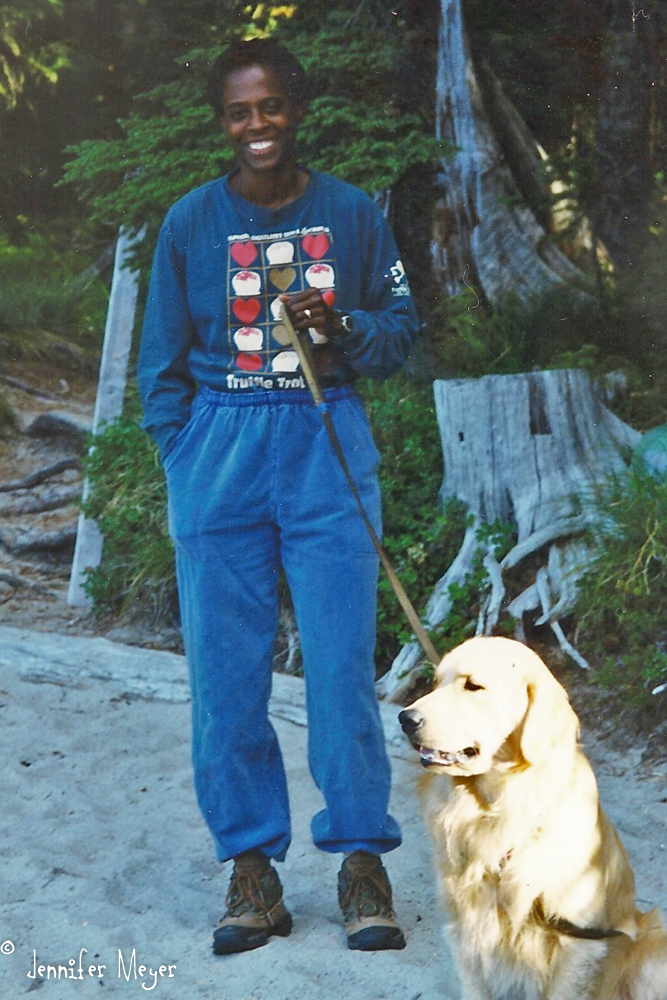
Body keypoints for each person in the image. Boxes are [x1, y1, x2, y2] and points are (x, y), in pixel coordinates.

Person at [138, 37, 419, 956]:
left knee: (340, 667)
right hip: (218, 446)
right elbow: (159, 368)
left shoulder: (347, 212)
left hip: (324, 440)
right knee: (227, 678)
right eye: (237, 113)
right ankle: (252, 868)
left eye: (269, 108)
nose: (255, 126)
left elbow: (399, 328)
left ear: (295, 108)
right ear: (223, 124)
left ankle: (360, 862)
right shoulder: (190, 222)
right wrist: (184, 453)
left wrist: (346, 332)